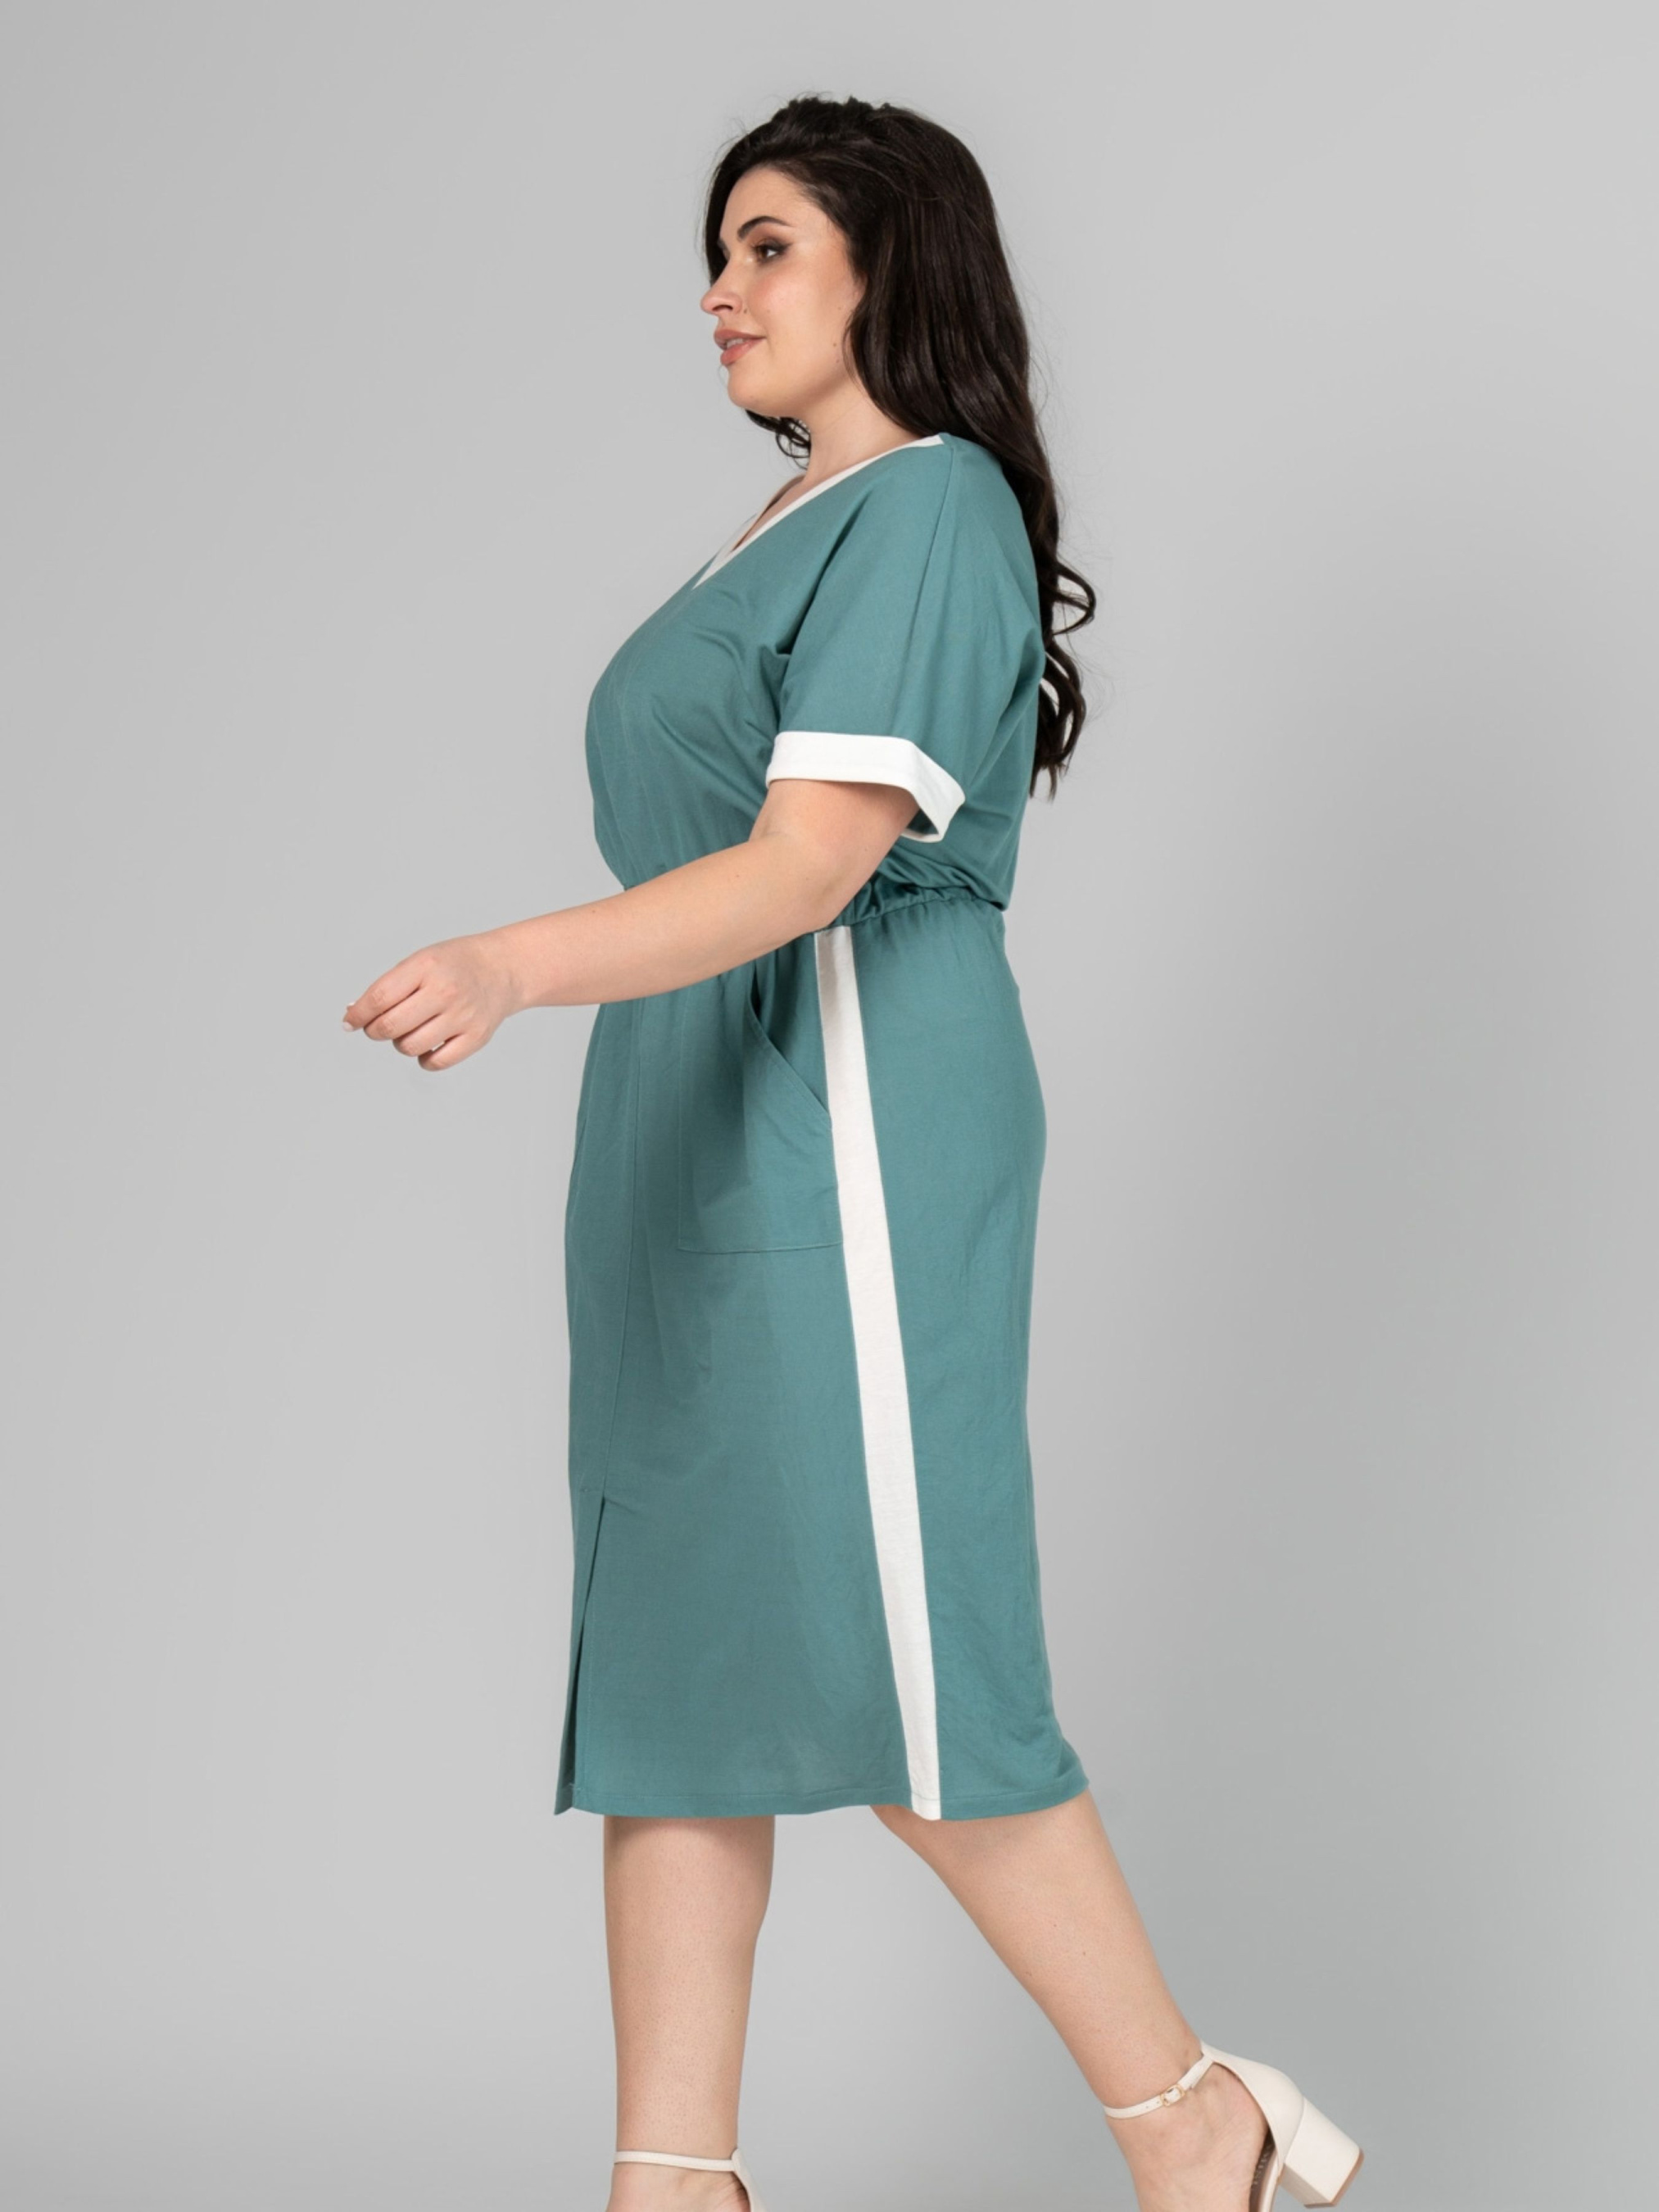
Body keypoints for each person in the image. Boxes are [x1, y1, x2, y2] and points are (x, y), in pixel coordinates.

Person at [342, 93, 1363, 2212]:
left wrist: (512, 964)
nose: (719, 294)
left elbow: (810, 866)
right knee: (676, 1669)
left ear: (892, 263)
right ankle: (670, 2182)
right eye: (713, 256)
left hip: (849, 1125)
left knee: (906, 1651)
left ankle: (1195, 2121)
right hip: (685, 1125)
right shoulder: (787, 520)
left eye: (767, 246)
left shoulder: (927, 506)